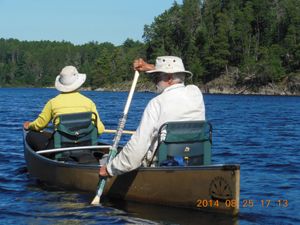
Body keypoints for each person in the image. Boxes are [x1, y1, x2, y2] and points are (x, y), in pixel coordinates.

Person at [99, 56, 205, 177]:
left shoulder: (157, 103)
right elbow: (175, 76)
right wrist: (149, 67)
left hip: (161, 165)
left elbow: (138, 147)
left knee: (112, 158)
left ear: (170, 78)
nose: (154, 81)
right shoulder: (195, 93)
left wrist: (110, 169)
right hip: (192, 160)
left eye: (156, 77)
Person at [23, 65, 105, 150]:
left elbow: (39, 125)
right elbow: (100, 129)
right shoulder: (89, 102)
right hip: (85, 145)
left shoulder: (52, 102)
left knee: (30, 135)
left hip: (60, 147)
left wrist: (29, 125)